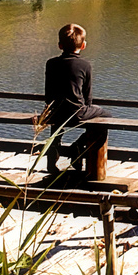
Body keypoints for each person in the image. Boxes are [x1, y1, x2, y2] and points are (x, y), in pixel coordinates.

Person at [43, 23, 107, 177]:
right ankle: (77, 147)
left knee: (56, 125)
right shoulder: (85, 65)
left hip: (55, 112)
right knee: (106, 116)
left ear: (59, 45)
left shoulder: (51, 64)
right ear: (83, 45)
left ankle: (52, 163)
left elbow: (48, 94)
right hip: (77, 113)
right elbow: (88, 97)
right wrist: (88, 107)